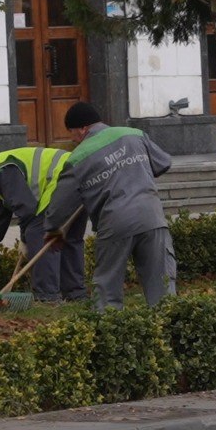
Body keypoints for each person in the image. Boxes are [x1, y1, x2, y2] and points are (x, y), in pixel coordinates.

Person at [44, 101, 176, 310]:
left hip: (115, 222)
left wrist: (52, 230)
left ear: (83, 128)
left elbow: (60, 207)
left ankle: (110, 334)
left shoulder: (77, 159)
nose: (73, 139)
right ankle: (169, 329)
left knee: (108, 287)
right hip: (152, 216)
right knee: (162, 284)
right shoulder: (134, 134)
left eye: (72, 133)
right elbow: (163, 163)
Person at [0, 147, 87, 303]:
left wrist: (25, 240)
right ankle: (75, 294)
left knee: (38, 233)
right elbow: (1, 215)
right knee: (69, 238)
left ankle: (47, 297)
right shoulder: (0, 171)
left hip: (63, 177)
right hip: (82, 173)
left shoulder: (1, 172)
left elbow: (27, 211)